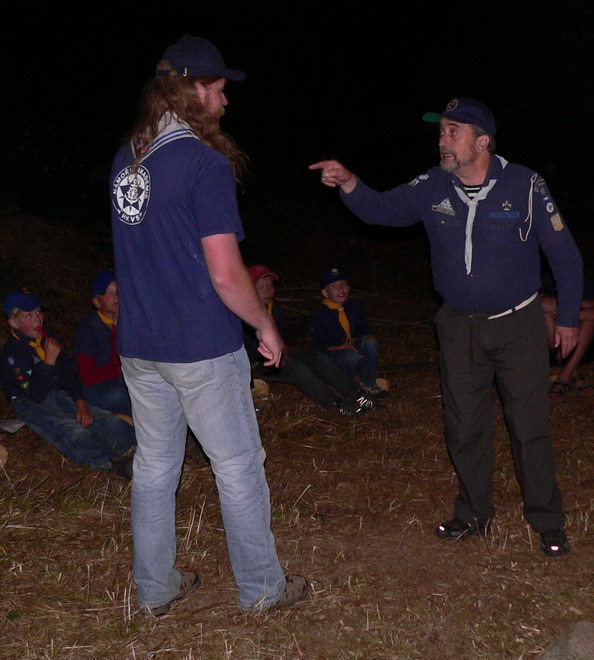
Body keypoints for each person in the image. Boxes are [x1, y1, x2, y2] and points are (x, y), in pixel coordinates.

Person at [310, 97, 583, 557]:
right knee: (464, 425)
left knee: (529, 425)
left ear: (482, 141)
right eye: (441, 131)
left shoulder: (525, 184)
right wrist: (350, 182)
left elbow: (566, 258)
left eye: (453, 131)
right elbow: (382, 210)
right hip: (457, 327)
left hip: (518, 325)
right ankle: (473, 513)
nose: (443, 140)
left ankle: (547, 520)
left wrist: (569, 318)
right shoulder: (433, 184)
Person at [110, 35, 307, 616]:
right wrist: (264, 325)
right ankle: (263, 589)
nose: (225, 100)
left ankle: (154, 588)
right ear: (195, 90)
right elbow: (225, 272)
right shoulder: (202, 162)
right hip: (198, 343)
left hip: (140, 344)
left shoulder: (128, 157)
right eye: (219, 89)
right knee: (238, 466)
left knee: (154, 467)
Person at [0, 291, 136, 477]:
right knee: (72, 430)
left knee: (105, 420)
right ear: (14, 323)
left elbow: (67, 374)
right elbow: (36, 394)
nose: (37, 319)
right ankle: (106, 463)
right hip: (28, 400)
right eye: (28, 316)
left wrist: (80, 402)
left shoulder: (49, 338)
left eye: (38, 312)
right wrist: (48, 362)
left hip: (57, 391)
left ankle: (136, 447)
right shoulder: (11, 356)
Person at [245, 264, 378, 417]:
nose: (267, 290)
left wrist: (283, 349)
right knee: (297, 369)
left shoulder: (275, 309)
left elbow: (282, 337)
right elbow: (248, 348)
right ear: (250, 288)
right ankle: (337, 403)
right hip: (255, 362)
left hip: (279, 352)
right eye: (261, 287)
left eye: (269, 285)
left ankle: (358, 395)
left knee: (317, 359)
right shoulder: (244, 312)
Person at [310, 267, 387, 398]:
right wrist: (342, 347)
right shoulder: (320, 314)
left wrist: (355, 343)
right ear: (325, 292)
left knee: (369, 342)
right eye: (334, 286)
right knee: (350, 355)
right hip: (333, 355)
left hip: (351, 348)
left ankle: (368, 383)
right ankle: (347, 387)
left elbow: (363, 330)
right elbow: (320, 344)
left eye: (343, 284)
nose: (341, 289)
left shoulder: (355, 307)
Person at [541, 272, 594, 401]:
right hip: (554, 349)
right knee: (546, 316)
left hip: (587, 347)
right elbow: (538, 304)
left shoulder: (584, 283)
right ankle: (573, 374)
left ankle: (563, 378)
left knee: (590, 319)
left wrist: (568, 315)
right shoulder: (547, 281)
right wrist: (583, 305)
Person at [73, 270, 132, 417]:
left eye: (118, 291)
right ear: (97, 302)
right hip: (97, 385)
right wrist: (119, 370)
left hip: (124, 378)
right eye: (109, 293)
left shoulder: (130, 321)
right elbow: (87, 376)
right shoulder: (89, 328)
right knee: (122, 396)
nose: (116, 297)